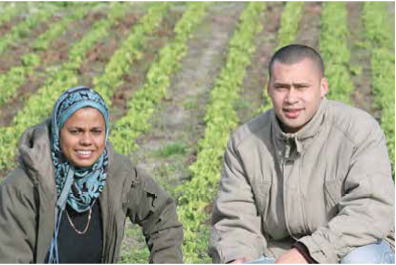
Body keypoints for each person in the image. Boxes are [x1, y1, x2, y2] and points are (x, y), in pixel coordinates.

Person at [208, 44, 395, 264]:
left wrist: (307, 253)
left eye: (301, 87)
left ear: (322, 87)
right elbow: (234, 219)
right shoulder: (244, 144)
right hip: (279, 257)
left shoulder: (359, 132)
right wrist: (236, 257)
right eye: (281, 87)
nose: (291, 98)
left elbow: (369, 211)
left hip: (352, 248)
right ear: (268, 88)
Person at [0, 86, 183, 263]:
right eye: (75, 131)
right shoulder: (23, 187)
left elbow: (161, 213)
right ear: (57, 132)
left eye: (95, 132)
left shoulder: (118, 174)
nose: (86, 141)